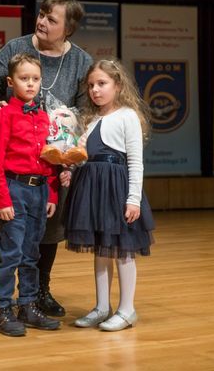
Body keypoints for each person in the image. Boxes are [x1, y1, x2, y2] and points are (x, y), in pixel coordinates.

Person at [0, 0, 93, 320]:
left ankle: (38, 292)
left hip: (52, 163)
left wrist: (70, 154)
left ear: (67, 28)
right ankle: (1, 296)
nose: (42, 21)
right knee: (8, 227)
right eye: (41, 14)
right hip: (13, 160)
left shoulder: (80, 61)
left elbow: (85, 113)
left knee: (47, 228)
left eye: (51, 19)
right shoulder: (15, 48)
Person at [62, 58, 155, 332]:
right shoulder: (91, 120)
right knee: (101, 250)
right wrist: (71, 169)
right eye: (91, 85)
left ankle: (127, 310)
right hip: (93, 189)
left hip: (116, 189)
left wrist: (133, 199)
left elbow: (135, 161)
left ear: (118, 85)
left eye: (102, 83)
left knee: (123, 249)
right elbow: (84, 156)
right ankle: (102, 307)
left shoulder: (127, 116)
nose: (95, 90)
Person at [0, 53, 61, 337]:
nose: (30, 84)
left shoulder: (44, 117)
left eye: (35, 79)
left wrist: (52, 193)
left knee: (32, 252)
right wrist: (2, 199)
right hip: (15, 189)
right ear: (11, 82)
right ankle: (2, 308)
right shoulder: (4, 115)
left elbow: (50, 158)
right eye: (24, 78)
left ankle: (28, 305)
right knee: (11, 253)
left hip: (39, 191)